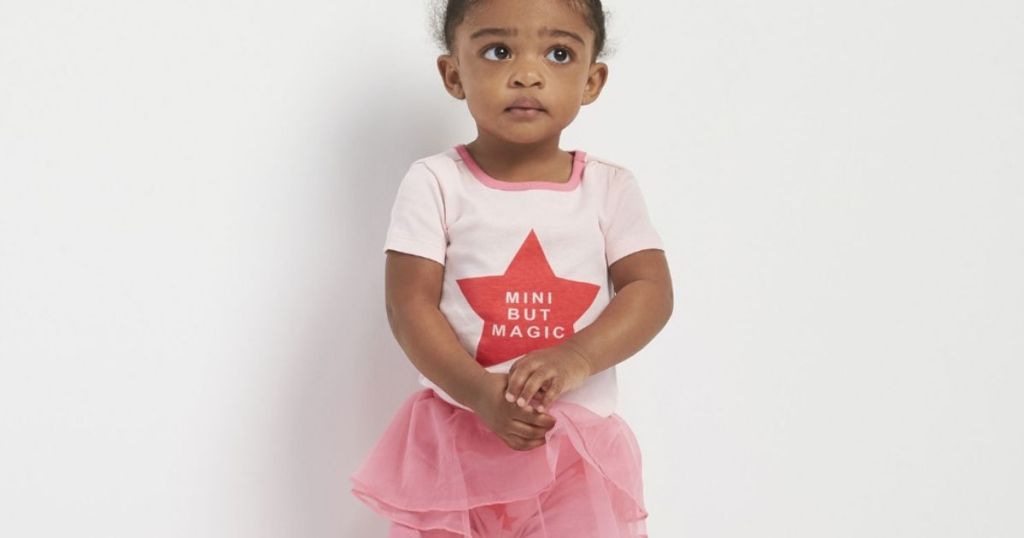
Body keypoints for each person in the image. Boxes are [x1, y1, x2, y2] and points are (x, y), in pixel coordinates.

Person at [350, 0, 674, 536]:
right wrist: (479, 393)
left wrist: (575, 357)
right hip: (457, 443)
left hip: (573, 451)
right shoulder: (436, 183)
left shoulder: (609, 188)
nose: (528, 73)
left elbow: (650, 290)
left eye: (559, 53)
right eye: (498, 51)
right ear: (454, 73)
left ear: (592, 80)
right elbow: (408, 304)